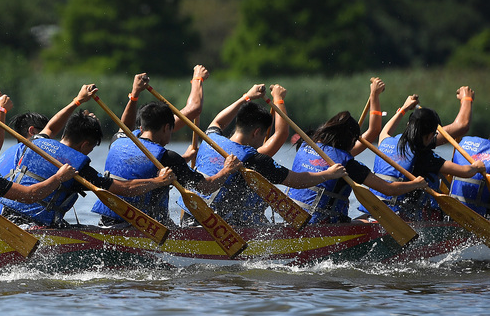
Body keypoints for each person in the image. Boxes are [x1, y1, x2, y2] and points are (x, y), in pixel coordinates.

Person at [0, 84, 175, 227]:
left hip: (6, 217)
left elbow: (51, 127)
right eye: (91, 148)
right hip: (35, 227)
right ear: (85, 144)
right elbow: (125, 188)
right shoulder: (77, 168)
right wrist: (159, 182)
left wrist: (77, 101)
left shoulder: (36, 142)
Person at [193, 84, 346, 226]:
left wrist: (246, 97)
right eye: (262, 136)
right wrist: (329, 173)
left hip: (191, 217)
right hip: (223, 228)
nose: (262, 142)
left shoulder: (209, 138)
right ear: (257, 132)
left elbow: (218, 121)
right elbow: (297, 181)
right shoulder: (255, 159)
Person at [92, 93, 243, 227]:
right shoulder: (168, 158)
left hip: (106, 221)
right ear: (166, 128)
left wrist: (184, 159)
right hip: (142, 227)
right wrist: (227, 170)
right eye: (171, 130)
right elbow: (206, 187)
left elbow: (137, 164)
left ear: (142, 126)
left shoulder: (117, 139)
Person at [287, 109, 427, 224]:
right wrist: (415, 184)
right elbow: (388, 189)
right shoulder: (347, 164)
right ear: (351, 140)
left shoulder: (305, 145)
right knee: (372, 221)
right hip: (323, 226)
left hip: (293, 220)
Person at [366, 88, 485, 220]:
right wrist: (477, 167)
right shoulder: (425, 158)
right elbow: (465, 172)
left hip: (375, 212)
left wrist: (404, 109)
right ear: (429, 136)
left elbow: (385, 131)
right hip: (404, 219)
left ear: (408, 125)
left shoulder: (385, 142)